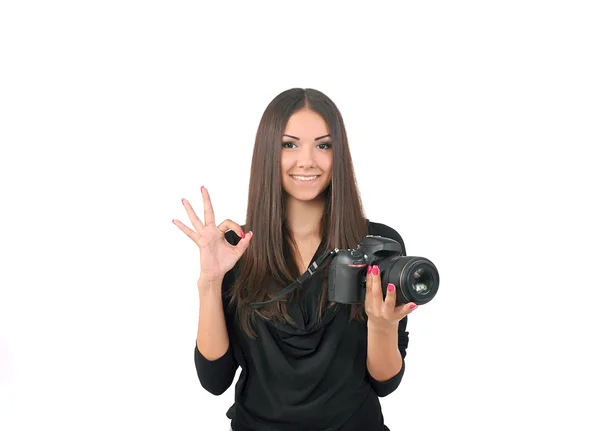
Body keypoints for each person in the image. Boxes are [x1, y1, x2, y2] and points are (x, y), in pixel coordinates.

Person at [173, 88, 418, 431]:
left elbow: (385, 383)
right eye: (289, 145)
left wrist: (381, 324)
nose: (307, 160)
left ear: (338, 154)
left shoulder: (378, 245)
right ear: (268, 153)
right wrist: (211, 282)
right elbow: (215, 380)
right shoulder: (235, 249)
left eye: (322, 145)